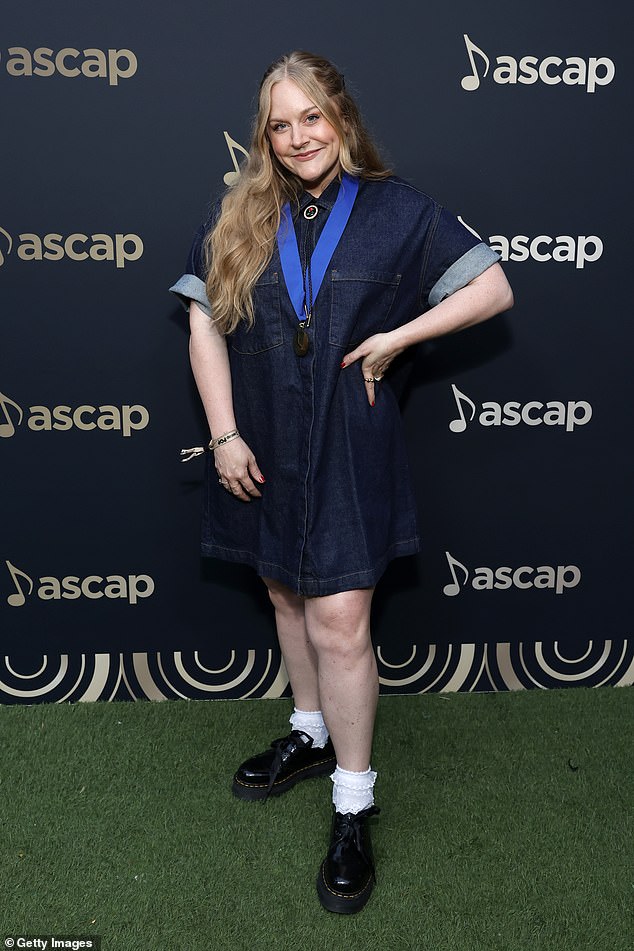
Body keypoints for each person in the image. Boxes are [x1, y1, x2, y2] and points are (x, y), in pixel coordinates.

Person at [170, 50, 513, 915]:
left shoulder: (397, 210)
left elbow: (493, 288)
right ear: (266, 136)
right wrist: (223, 435)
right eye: (279, 125)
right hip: (261, 444)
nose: (296, 138)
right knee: (286, 595)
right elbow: (202, 322)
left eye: (310, 118)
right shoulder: (245, 212)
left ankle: (353, 802)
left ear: (342, 118)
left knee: (341, 620)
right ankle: (310, 734)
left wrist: (401, 338)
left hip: (351, 447)